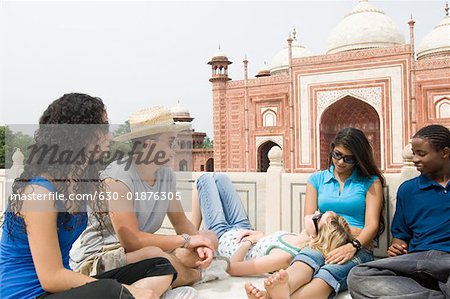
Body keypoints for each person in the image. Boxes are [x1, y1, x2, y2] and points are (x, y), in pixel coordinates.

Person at [0, 93, 177, 299]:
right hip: (27, 294)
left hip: (59, 290)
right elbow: (51, 277)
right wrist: (125, 290)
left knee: (160, 266)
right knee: (111, 290)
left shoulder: (82, 185)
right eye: (103, 127)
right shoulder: (39, 193)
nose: (109, 136)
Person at [70, 106, 222, 288]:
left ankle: (180, 269)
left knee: (209, 237)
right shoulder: (118, 178)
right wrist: (187, 241)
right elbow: (132, 240)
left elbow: (181, 222)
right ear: (150, 146)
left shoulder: (165, 175)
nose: (176, 147)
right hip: (102, 257)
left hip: (143, 252)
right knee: (157, 255)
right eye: (170, 142)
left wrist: (201, 245)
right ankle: (196, 275)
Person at [246, 127, 385, 299]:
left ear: (358, 159)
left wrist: (352, 246)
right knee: (304, 263)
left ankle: (270, 297)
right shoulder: (317, 179)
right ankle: (278, 292)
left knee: (328, 274)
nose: (341, 162)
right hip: (322, 241)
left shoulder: (370, 182)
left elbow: (372, 225)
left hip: (358, 247)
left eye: (348, 159)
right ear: (332, 150)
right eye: (337, 155)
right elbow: (309, 218)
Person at [348, 124, 450, 299]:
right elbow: (400, 238)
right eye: (414, 153)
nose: (415, 159)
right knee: (358, 275)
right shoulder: (408, 190)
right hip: (417, 261)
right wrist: (396, 248)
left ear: (445, 153)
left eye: (421, 154)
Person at [192, 173, 354, 278]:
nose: (316, 212)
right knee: (221, 178)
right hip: (242, 227)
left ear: (316, 236)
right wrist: (258, 235)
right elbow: (266, 243)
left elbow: (232, 268)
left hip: (223, 237)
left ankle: (191, 237)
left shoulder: (285, 256)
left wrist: (249, 242)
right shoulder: (296, 237)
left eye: (318, 218)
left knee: (204, 179)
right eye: (321, 212)